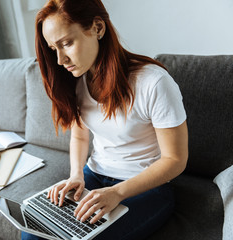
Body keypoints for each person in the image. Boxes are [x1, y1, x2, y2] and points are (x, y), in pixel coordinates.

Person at [22, 0, 188, 239]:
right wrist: (76, 175)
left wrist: (117, 192)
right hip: (95, 174)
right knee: (32, 231)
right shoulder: (77, 82)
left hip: (145, 186)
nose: (60, 60)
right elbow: (80, 135)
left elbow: (175, 160)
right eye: (52, 48)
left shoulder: (154, 82)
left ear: (98, 28)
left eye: (66, 43)